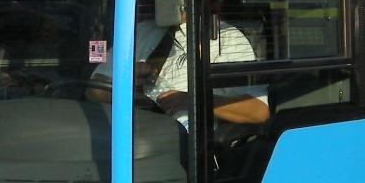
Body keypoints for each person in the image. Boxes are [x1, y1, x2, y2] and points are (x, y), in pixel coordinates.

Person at [88, 19, 269, 126]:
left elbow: (258, 111)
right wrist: (127, 81)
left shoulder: (225, 38)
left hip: (186, 150)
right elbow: (94, 91)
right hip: (128, 137)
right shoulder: (140, 32)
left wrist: (193, 101)